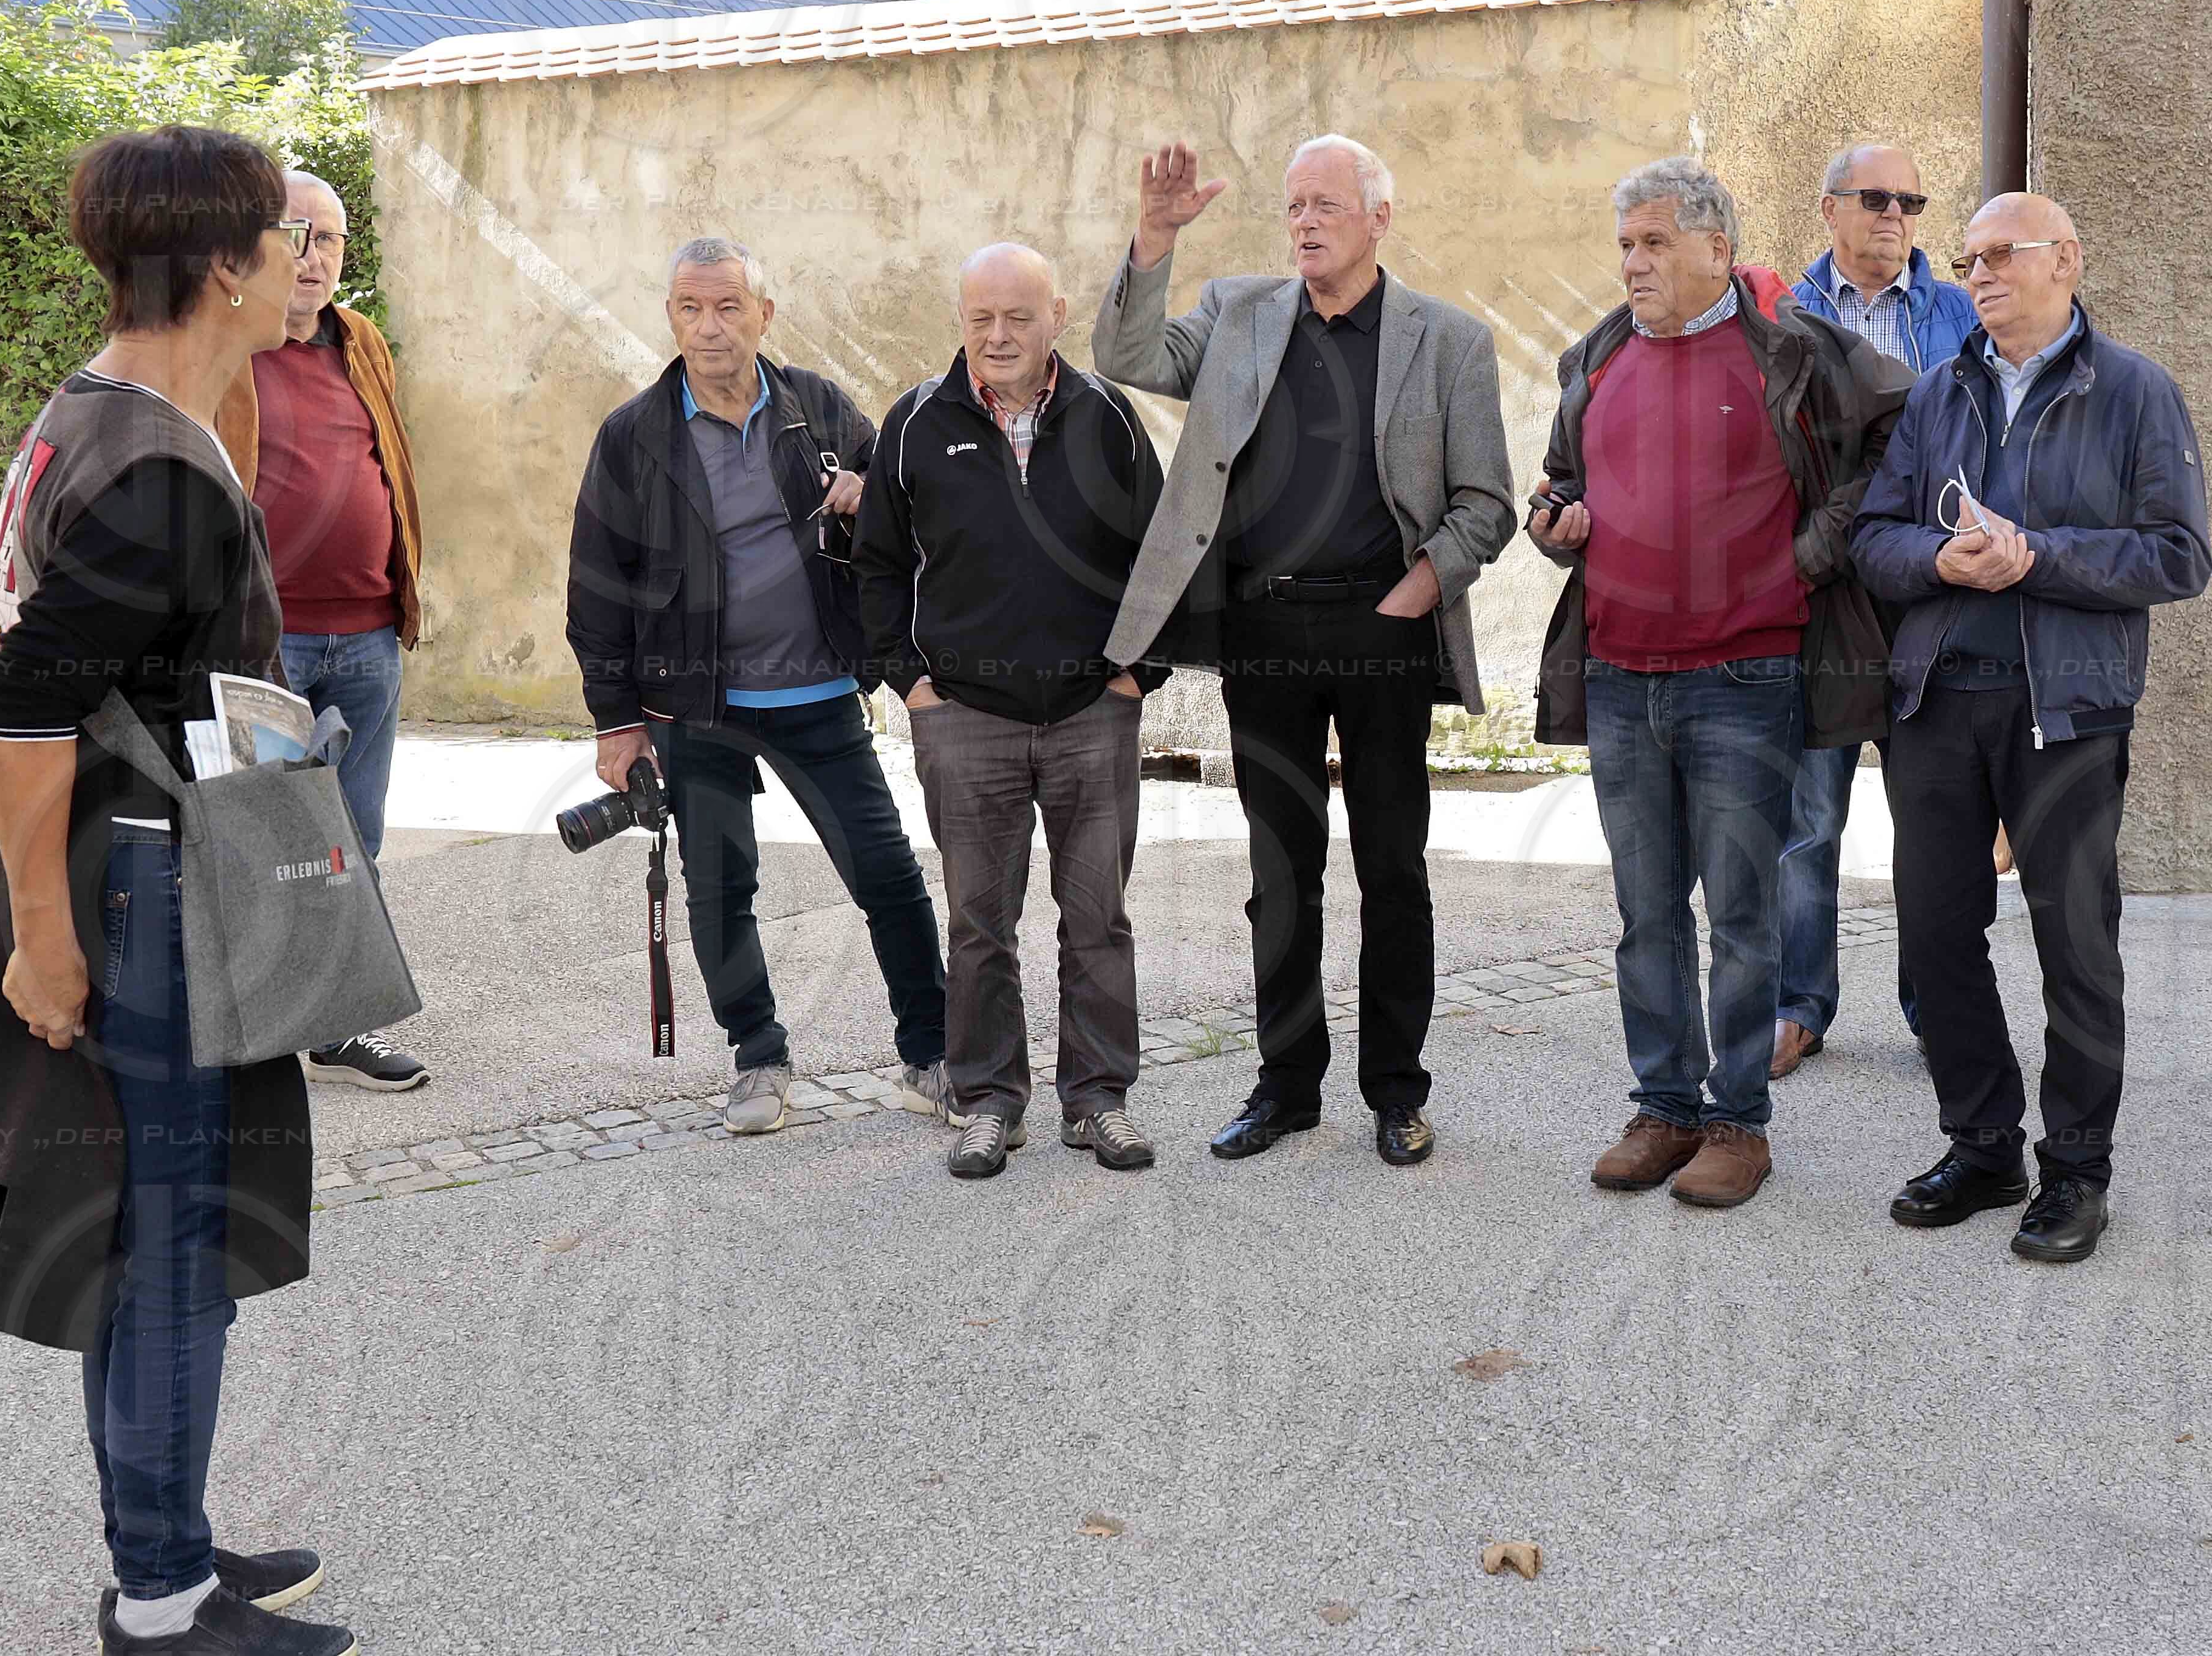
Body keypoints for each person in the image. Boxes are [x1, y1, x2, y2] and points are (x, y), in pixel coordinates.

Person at [0, 125, 357, 1656]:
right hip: (146, 890)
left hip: (129, 871)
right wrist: (39, 931)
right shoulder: (155, 477)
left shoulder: (97, 417)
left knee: (156, 1240)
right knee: (172, 1246)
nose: (300, 267)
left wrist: (13, 892)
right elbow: (23, 705)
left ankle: (167, 1533)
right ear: (218, 266)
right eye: (278, 240)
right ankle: (160, 1605)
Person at [1092, 137, 1517, 1169]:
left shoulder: (1448, 339)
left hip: (1384, 637)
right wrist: (1157, 235)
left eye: (1326, 204)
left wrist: (1411, 598)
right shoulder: (1241, 314)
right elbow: (1127, 359)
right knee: (1280, 874)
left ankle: (1397, 1092)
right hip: (1265, 633)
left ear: (1380, 216)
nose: (1306, 222)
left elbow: (1488, 503)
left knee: (1393, 869)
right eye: (1293, 207)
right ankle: (1286, 1086)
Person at [1527, 156, 1908, 1210]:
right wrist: (1553, 525)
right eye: (1625, 247)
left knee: (1742, 913)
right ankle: (1664, 1107)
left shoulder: (1791, 349)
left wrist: (1811, 554)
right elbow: (1561, 483)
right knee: (1646, 913)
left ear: (1715, 248)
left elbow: (1896, 438)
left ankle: (1739, 1121)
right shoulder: (1595, 356)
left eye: (1653, 244)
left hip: (1745, 677)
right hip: (1620, 677)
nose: (1633, 265)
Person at [1849, 193, 2211, 1263]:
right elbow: (1876, 538)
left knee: (2077, 947)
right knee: (1934, 936)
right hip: (1935, 706)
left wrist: (2037, 556)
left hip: (2068, 711)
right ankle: (1983, 1145)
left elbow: (2178, 557)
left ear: (2069, 261)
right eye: (1969, 258)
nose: (1980, 273)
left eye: (2002, 254)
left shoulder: (2137, 391)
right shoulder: (1939, 392)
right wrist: (1938, 560)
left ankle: (2078, 1171)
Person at [563, 239, 951, 1135]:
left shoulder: (817, 407)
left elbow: (906, 531)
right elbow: (597, 587)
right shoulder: (633, 436)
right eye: (691, 309)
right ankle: (759, 1058)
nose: (710, 327)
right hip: (694, 705)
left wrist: (868, 500)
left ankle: (931, 1053)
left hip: (815, 692)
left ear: (763, 315)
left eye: (729, 307)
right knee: (720, 889)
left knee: (886, 872)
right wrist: (616, 723)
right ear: (671, 317)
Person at [861, 243, 1168, 1180]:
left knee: (1097, 918)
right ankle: (990, 1101)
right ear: (961, 321)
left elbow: (1164, 555)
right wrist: (910, 683)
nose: (998, 336)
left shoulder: (1110, 417)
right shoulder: (916, 423)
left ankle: (1098, 1101)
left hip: (1090, 714)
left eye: (1018, 317)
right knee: (979, 921)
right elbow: (875, 564)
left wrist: (1135, 678)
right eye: (980, 318)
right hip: (965, 719)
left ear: (1058, 316)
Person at [216, 168, 430, 1093]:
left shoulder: (361, 342)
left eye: (332, 239)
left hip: (369, 636)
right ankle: (262, 1023)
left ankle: (344, 1022)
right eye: (296, 234)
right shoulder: (226, 346)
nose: (314, 257)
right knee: (264, 836)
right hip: (270, 641)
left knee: (355, 836)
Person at [1773, 143, 1983, 1078]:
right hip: (1821, 601)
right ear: (1830, 210)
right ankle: (1798, 1005)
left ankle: (1936, 1004)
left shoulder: (1957, 315)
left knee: (1932, 817)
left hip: (1928, 596)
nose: (1895, 215)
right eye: (1875, 198)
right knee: (1808, 817)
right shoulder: (1782, 318)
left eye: (1910, 200)